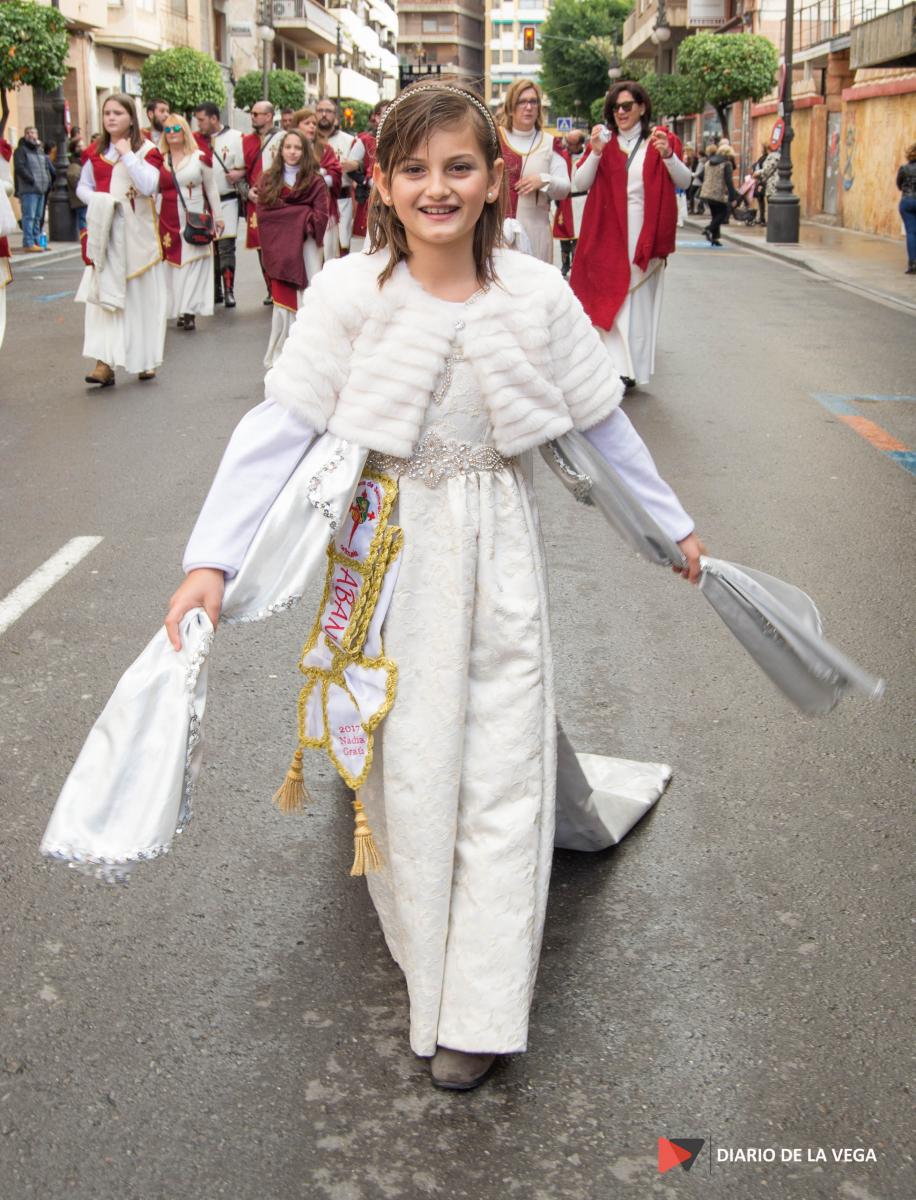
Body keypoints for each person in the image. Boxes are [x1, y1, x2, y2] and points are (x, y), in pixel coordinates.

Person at [163, 83, 703, 1093]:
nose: (437, 187)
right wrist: (211, 560)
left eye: (460, 166)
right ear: (381, 183)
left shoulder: (535, 295)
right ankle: (432, 969)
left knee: (500, 767)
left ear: (497, 179)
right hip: (387, 562)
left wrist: (668, 524)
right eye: (413, 168)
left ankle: (482, 1010)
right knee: (412, 769)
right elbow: (277, 432)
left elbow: (600, 425)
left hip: (501, 561)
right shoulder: (349, 296)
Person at [569, 81, 692, 390]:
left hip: (644, 235)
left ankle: (630, 368)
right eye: (615, 107)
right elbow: (580, 182)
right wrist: (595, 153)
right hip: (606, 235)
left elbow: (685, 181)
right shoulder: (603, 142)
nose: (620, 112)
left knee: (635, 305)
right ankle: (613, 368)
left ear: (642, 107)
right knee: (611, 299)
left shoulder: (659, 141)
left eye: (626, 106)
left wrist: (669, 156)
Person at [75, 93, 166, 387]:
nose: (111, 118)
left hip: (137, 236)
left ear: (131, 117)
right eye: (107, 113)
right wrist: (99, 201)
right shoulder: (95, 152)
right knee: (103, 301)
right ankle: (103, 362)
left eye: (118, 113)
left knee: (139, 300)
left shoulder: (147, 150)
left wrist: (127, 154)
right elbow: (83, 187)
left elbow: (149, 185)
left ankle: (145, 359)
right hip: (105, 232)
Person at [256, 129, 330, 367]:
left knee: (308, 298)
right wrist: (301, 214)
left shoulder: (315, 181)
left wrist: (299, 220)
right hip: (279, 249)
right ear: (281, 150)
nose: (292, 152)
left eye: (297, 148)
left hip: (307, 248)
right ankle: (281, 355)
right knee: (283, 302)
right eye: (288, 147)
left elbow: (321, 215)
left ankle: (308, 355)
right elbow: (265, 214)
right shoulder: (269, 179)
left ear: (305, 151)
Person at [158, 114, 223, 333]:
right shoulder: (160, 159)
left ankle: (189, 310)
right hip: (167, 220)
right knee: (172, 266)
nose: (172, 133)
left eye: (176, 128)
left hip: (194, 219)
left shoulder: (199, 158)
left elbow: (211, 188)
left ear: (184, 130)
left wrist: (218, 216)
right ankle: (178, 308)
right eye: (168, 130)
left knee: (193, 264)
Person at [497, 80, 570, 262]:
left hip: (537, 234)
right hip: (498, 233)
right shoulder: (495, 139)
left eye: (533, 101)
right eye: (522, 101)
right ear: (511, 107)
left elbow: (565, 187)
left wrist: (543, 180)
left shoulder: (549, 142)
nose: (528, 107)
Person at [194, 101, 245, 308]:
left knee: (226, 247)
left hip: (227, 199)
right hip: (203, 203)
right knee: (209, 248)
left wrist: (238, 173)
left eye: (202, 120)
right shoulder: (194, 140)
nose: (199, 125)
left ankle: (229, 291)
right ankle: (215, 290)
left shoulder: (236, 138)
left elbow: (246, 166)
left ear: (214, 118)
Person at [239, 100, 283, 304]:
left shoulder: (283, 138)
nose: (253, 117)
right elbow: (239, 174)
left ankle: (281, 288)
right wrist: (247, 192)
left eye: (256, 114)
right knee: (261, 247)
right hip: (255, 202)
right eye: (252, 114)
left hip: (278, 201)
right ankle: (270, 289)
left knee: (279, 245)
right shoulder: (245, 141)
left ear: (269, 116)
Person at [316, 98, 364, 255]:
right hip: (315, 201)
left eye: (328, 111)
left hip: (342, 201)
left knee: (341, 248)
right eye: (320, 111)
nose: (324, 114)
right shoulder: (307, 141)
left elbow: (363, 167)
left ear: (335, 116)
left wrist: (356, 165)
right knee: (317, 249)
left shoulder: (350, 141)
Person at [295, 106, 342, 259]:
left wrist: (319, 178)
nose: (312, 127)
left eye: (314, 124)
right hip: (297, 210)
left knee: (325, 257)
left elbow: (336, 174)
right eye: (307, 123)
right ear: (297, 125)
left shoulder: (324, 149)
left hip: (323, 208)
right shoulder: (289, 149)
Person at [350, 100, 388, 253]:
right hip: (369, 198)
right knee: (364, 245)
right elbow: (349, 168)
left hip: (391, 199)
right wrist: (366, 181)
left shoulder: (399, 138)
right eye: (385, 113)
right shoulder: (364, 140)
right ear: (377, 117)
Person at [13, 128, 55, 253]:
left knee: (37, 217)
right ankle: (28, 243)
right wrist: (32, 180)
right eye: (28, 133)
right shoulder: (21, 150)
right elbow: (19, 168)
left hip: (41, 188)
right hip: (29, 189)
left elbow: (46, 167)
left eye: (34, 132)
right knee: (29, 217)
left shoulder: (39, 150)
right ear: (25, 136)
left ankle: (37, 242)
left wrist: (47, 181)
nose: (31, 135)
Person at [699, 140, 737, 247]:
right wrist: (733, 198)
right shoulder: (726, 164)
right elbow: (729, 181)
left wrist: (707, 183)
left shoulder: (708, 162)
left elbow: (701, 176)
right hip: (718, 193)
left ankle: (715, 238)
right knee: (723, 213)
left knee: (715, 215)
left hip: (706, 192)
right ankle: (708, 229)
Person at [896, 142, 916, 275]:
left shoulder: (904, 169)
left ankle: (913, 264)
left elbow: (899, 185)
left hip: (907, 202)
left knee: (911, 232)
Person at [66, 136, 88, 232]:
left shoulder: (84, 161)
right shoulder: (74, 164)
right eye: (79, 146)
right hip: (80, 201)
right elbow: (75, 180)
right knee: (84, 224)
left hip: (86, 199)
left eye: (83, 145)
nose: (82, 148)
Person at [752, 140, 773, 226]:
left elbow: (763, 169)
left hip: (763, 181)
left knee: (762, 200)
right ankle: (763, 218)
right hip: (765, 181)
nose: (761, 149)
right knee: (765, 200)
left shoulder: (766, 158)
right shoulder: (766, 158)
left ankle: (762, 218)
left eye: (762, 147)